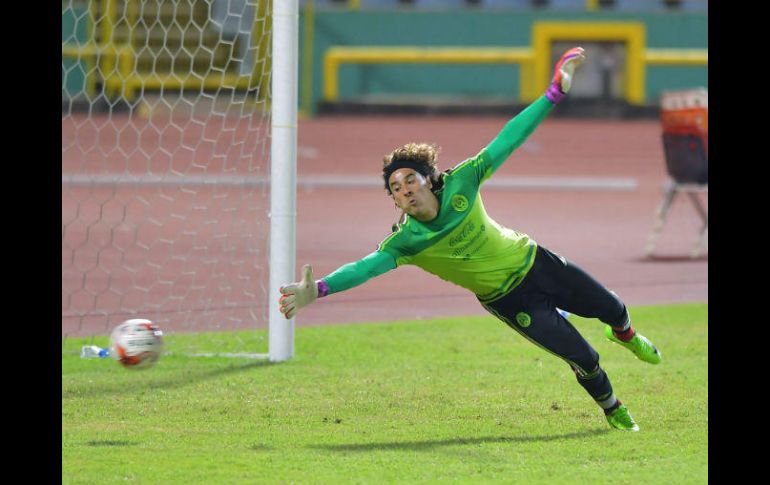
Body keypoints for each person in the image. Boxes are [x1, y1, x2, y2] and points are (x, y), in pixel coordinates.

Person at [279, 47, 662, 432]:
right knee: (584, 358)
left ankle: (626, 336)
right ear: (394, 200)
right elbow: (364, 268)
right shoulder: (405, 242)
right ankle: (613, 408)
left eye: (410, 178)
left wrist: (552, 94)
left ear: (428, 179)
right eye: (395, 187)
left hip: (535, 262)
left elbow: (508, 140)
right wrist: (321, 288)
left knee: (613, 307)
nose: (405, 188)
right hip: (509, 300)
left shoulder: (462, 181)